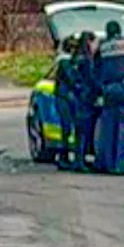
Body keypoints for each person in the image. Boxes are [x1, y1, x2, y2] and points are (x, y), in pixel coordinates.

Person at [93, 20, 124, 175]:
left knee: (108, 128)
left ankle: (106, 163)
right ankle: (121, 164)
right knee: (123, 127)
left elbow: (95, 68)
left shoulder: (102, 47)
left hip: (108, 89)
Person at [69, 32, 101, 172]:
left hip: (78, 98)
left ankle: (79, 159)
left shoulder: (76, 57)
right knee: (83, 131)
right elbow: (91, 79)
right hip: (84, 99)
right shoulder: (86, 60)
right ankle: (79, 161)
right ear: (89, 42)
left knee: (79, 131)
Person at [52, 38, 80, 170]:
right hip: (65, 98)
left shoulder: (64, 61)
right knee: (67, 127)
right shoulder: (65, 61)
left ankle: (65, 156)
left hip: (64, 97)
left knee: (67, 128)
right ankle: (63, 157)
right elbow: (72, 79)